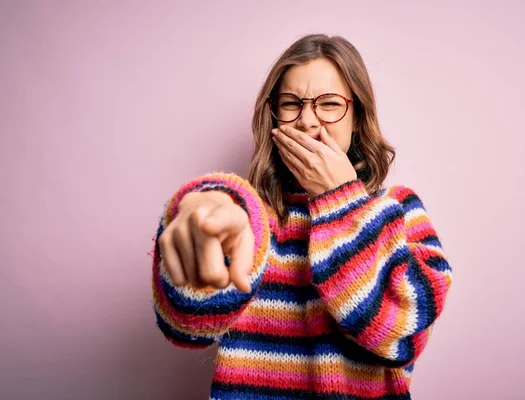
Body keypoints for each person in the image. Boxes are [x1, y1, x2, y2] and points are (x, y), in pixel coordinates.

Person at [151, 33, 453, 399]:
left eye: (328, 104)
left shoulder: (400, 209)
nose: (308, 122)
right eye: (291, 103)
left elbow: (402, 333)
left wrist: (340, 200)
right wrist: (199, 220)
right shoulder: (249, 216)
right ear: (273, 115)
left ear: (357, 115)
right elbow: (187, 326)